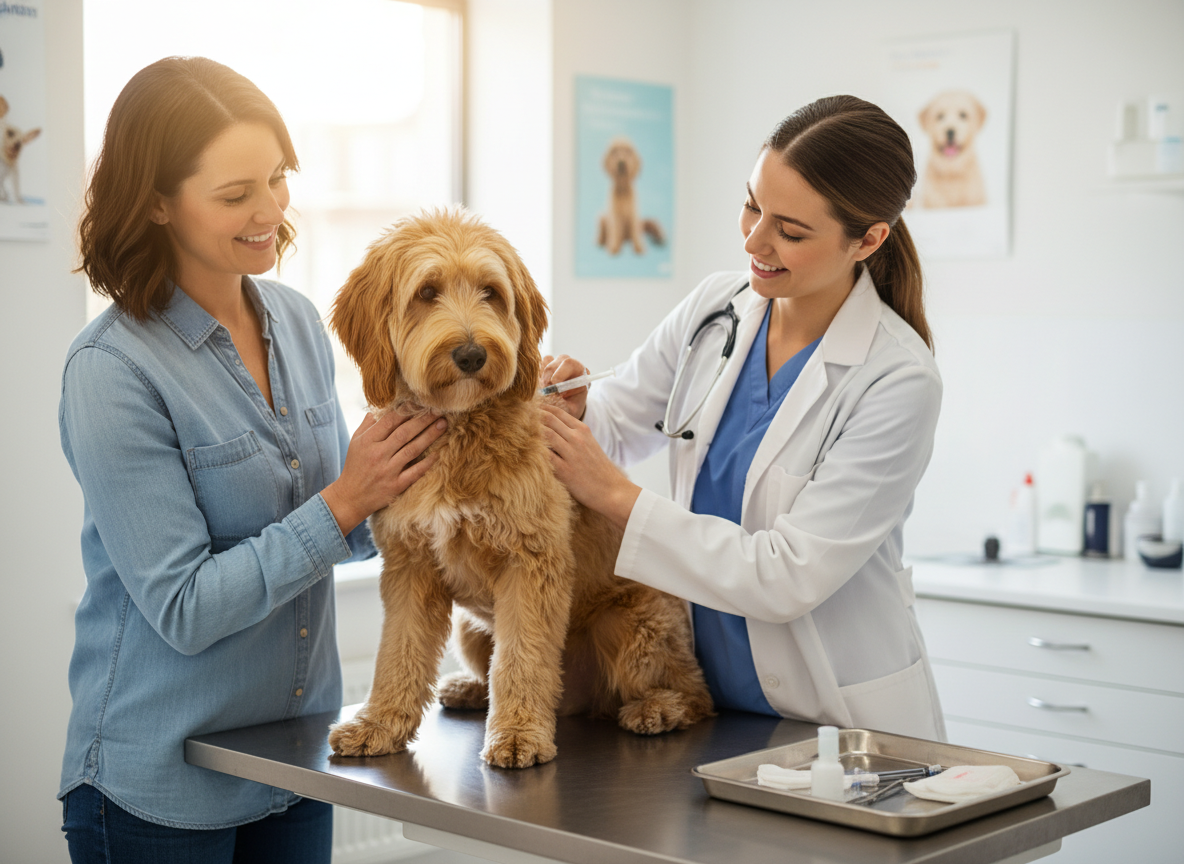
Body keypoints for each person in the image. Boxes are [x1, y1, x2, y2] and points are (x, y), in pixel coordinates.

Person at [57, 57, 446, 862]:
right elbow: (185, 607)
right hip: (159, 787)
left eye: (278, 178)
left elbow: (363, 527)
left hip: (295, 770)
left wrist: (462, 427)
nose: (269, 210)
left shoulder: (299, 323)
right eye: (235, 195)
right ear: (157, 202)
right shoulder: (112, 371)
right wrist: (344, 501)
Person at [540, 95, 946, 740]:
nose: (755, 240)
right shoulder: (715, 308)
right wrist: (579, 407)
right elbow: (618, 426)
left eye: (791, 229)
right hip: (711, 705)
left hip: (839, 722)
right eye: (753, 204)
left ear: (867, 240)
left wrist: (614, 496)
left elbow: (785, 577)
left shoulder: (897, 379)